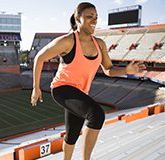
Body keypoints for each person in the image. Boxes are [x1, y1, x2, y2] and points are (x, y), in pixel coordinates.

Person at [31, 2, 145, 160]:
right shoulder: (67, 41)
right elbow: (39, 58)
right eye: (89, 16)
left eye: (96, 17)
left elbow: (108, 70)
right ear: (78, 18)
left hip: (80, 92)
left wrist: (126, 70)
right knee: (96, 115)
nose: (94, 20)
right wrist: (36, 88)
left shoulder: (100, 44)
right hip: (61, 88)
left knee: (72, 135)